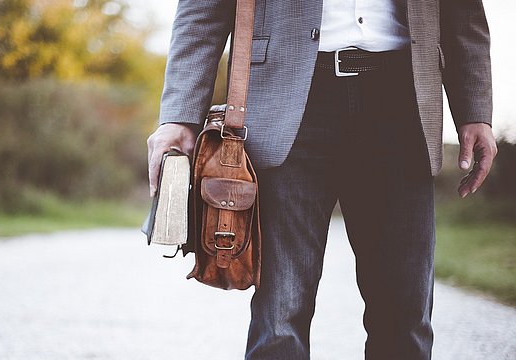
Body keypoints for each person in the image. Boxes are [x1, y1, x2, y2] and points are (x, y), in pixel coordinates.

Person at [146, 0, 498, 359]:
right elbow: (202, 11)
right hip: (287, 98)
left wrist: (475, 110)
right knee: (280, 315)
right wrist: (180, 116)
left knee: (404, 315)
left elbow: (463, 12)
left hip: (403, 99)